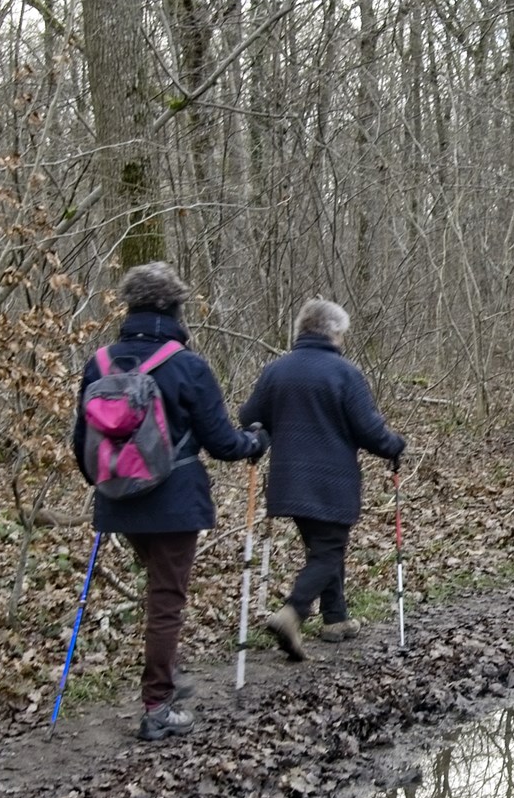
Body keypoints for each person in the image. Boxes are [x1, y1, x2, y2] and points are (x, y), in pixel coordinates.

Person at [70, 261, 266, 742]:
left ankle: (169, 677)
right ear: (176, 308)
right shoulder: (187, 365)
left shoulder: (98, 364)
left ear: (130, 307)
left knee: (159, 591)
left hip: (118, 499)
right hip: (176, 499)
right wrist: (255, 442)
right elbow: (221, 442)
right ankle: (157, 705)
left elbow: (82, 444)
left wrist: (109, 484)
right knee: (166, 599)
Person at [237, 297, 404, 660]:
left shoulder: (276, 371)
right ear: (334, 333)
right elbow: (369, 430)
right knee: (328, 552)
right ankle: (292, 612)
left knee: (323, 549)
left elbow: (250, 416)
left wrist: (261, 434)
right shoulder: (345, 373)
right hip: (332, 481)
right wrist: (395, 446)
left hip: (288, 481)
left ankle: (335, 619)